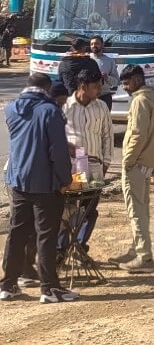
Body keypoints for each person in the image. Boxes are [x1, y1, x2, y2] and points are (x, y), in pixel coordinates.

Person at [1, 73, 78, 303]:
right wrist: (65, 180)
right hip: (45, 184)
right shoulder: (50, 111)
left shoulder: (12, 108)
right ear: (46, 89)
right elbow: (58, 152)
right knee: (46, 235)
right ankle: (49, 288)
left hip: (18, 180)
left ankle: (8, 284)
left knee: (17, 233)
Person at [108, 65, 154, 273]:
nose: (125, 87)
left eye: (127, 82)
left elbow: (137, 134)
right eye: (123, 83)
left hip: (137, 163)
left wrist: (128, 160)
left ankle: (144, 257)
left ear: (137, 79)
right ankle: (136, 250)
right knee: (142, 207)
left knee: (136, 210)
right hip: (149, 161)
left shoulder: (141, 100)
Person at [58, 69, 113, 257]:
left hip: (95, 170)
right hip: (71, 170)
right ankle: (60, 249)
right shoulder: (65, 107)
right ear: (83, 86)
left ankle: (79, 246)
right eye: (96, 86)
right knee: (67, 210)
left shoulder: (102, 107)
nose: (99, 90)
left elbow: (108, 136)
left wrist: (105, 164)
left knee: (90, 210)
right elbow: (56, 137)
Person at [90, 36, 118, 110]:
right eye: (92, 44)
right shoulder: (85, 60)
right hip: (88, 98)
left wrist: (107, 77)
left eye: (96, 43)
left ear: (102, 45)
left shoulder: (109, 61)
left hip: (104, 97)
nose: (94, 46)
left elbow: (116, 82)